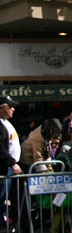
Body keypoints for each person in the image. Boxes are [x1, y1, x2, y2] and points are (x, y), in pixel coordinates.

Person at [0, 96, 22, 225]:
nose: (13, 109)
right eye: (10, 106)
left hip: (9, 168)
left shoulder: (5, 122)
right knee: (1, 199)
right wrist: (12, 163)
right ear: (1, 108)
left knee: (6, 199)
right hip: (5, 168)